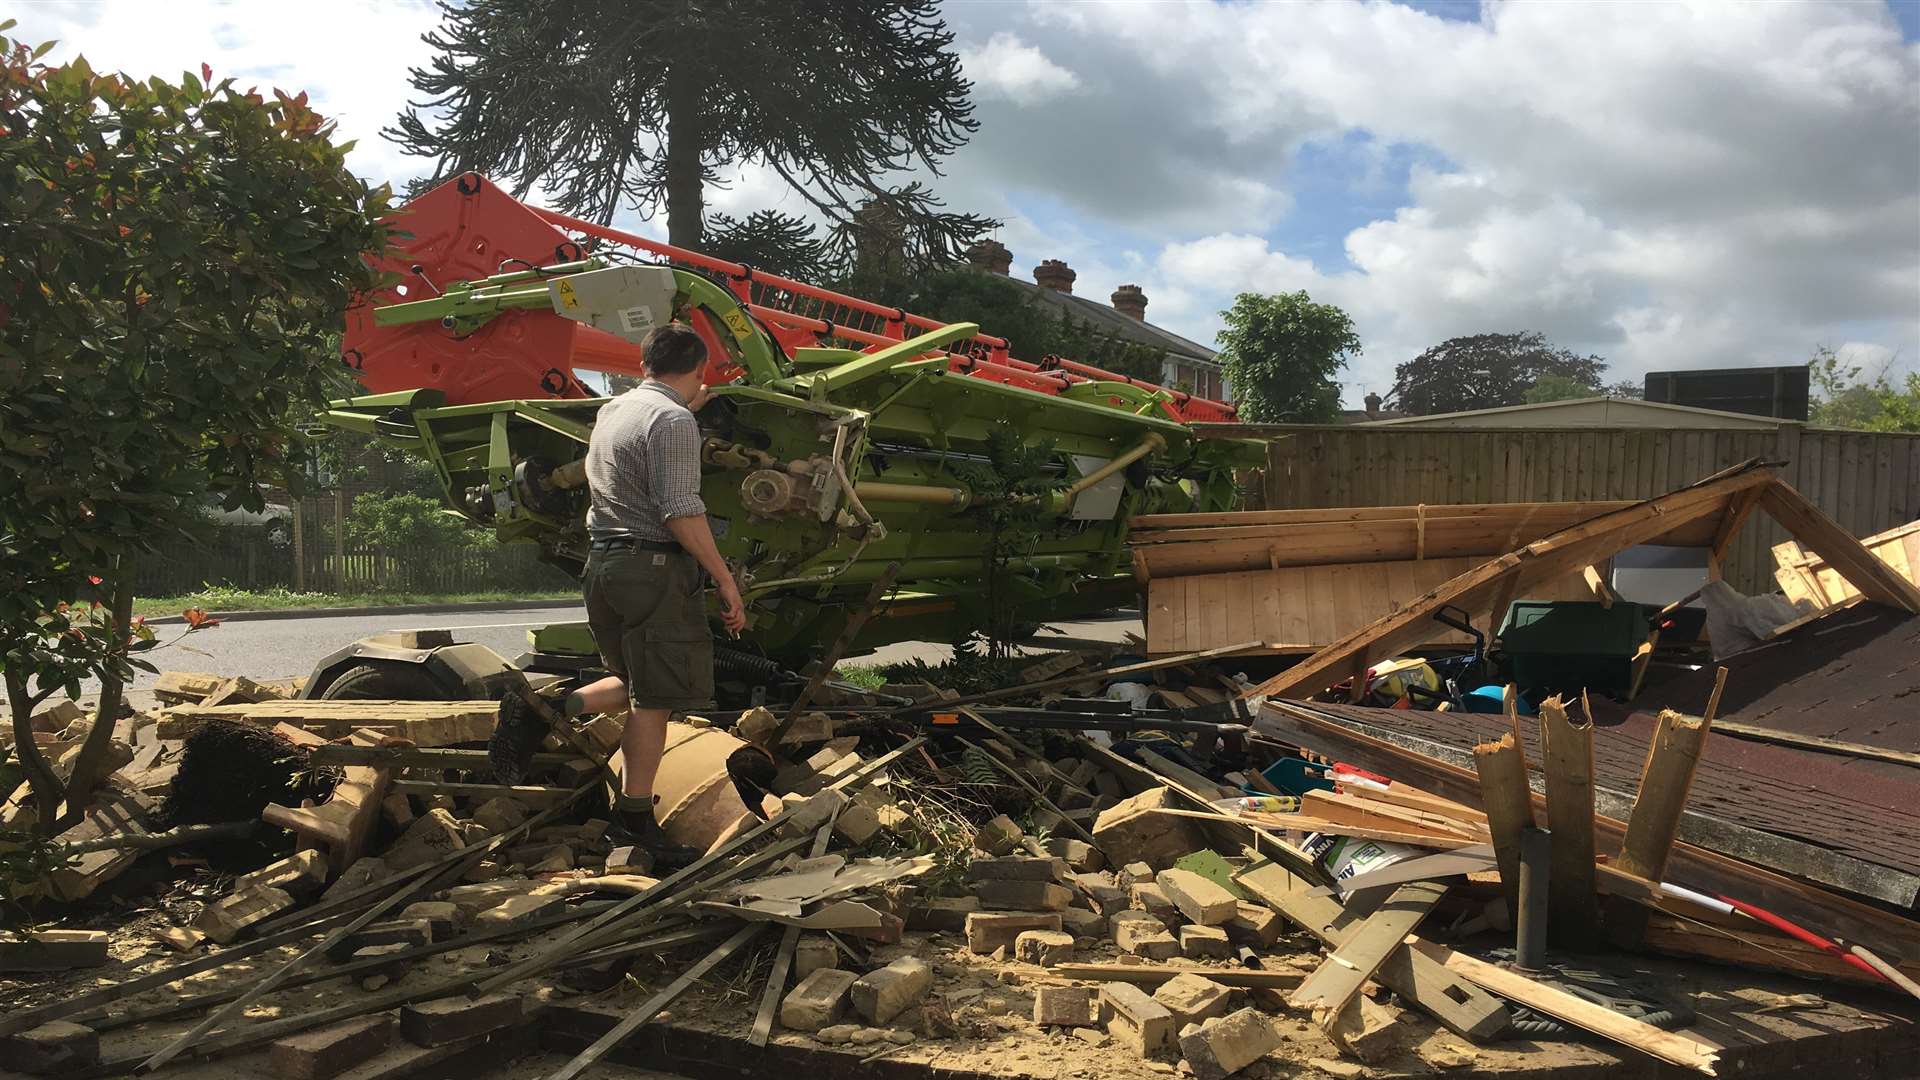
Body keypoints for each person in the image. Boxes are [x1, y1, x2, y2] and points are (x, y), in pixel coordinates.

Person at [490, 322, 747, 868]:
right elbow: (680, 508)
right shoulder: (675, 420)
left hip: (604, 563)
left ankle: (549, 707)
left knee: (632, 681)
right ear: (699, 367)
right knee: (654, 700)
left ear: (646, 364)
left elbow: (655, 423)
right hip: (653, 570)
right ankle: (633, 821)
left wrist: (695, 401)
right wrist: (723, 577)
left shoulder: (613, 411)